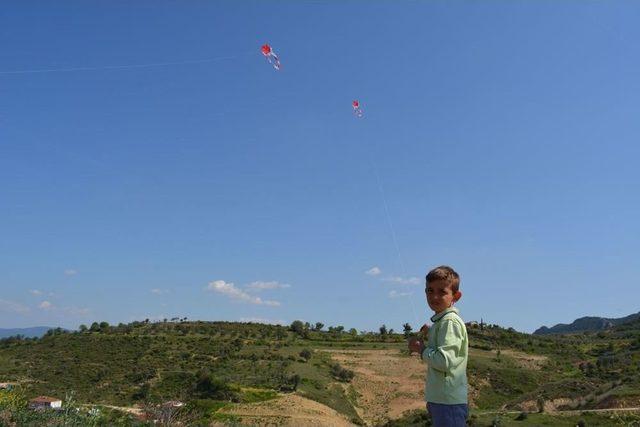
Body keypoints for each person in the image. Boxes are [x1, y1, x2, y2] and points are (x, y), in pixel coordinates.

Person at [408, 265, 469, 427]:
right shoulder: (442, 322)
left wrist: (420, 349)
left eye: (442, 292)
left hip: (447, 401)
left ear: (456, 296)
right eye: (430, 290)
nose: (434, 297)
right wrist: (432, 331)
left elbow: (444, 361)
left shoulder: (449, 322)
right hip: (442, 400)